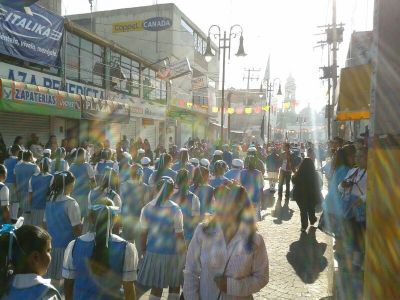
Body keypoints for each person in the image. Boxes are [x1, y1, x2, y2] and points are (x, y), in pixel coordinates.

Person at [183, 185, 269, 299]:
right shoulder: (202, 232)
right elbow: (191, 271)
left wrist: (232, 286)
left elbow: (262, 277)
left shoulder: (255, 240)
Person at [63, 198, 138, 300]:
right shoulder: (126, 248)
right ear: (115, 218)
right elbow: (128, 289)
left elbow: (68, 284)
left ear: (90, 218)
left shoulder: (74, 245)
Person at [137, 177, 186, 299]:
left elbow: (143, 233)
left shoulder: (147, 207)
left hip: (153, 252)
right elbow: (179, 235)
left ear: (157, 189)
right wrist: (184, 254)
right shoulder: (175, 209)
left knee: (156, 287)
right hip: (173, 254)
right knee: (174, 286)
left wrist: (142, 250)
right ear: (170, 191)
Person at [0, 224, 61, 300]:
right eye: (48, 250)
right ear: (35, 257)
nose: (50, 255)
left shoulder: (4, 288)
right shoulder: (47, 294)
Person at [44, 171, 82, 285]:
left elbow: (45, 224)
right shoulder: (70, 202)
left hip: (51, 246)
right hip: (67, 246)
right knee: (66, 279)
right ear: (68, 184)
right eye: (73, 184)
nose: (73, 186)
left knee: (52, 278)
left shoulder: (49, 200)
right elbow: (77, 228)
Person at [338, 147, 368, 271]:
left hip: (360, 209)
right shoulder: (353, 170)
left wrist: (362, 199)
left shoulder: (371, 172)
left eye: (361, 156)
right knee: (349, 233)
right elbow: (340, 187)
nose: (357, 159)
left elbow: (373, 190)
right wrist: (342, 185)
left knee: (359, 234)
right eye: (357, 156)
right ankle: (349, 260)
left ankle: (357, 263)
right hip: (347, 207)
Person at [120, 164, 150, 258]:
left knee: (126, 244)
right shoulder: (145, 187)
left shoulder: (123, 185)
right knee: (138, 247)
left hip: (126, 218)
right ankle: (137, 267)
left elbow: (121, 203)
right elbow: (146, 204)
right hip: (139, 219)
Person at [292, 158, 321, 231]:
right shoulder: (315, 174)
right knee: (311, 208)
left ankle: (304, 227)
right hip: (311, 195)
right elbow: (320, 183)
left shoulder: (299, 173)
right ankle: (312, 219)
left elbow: (294, 181)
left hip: (300, 195)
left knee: (303, 210)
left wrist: (294, 175)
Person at [172, 169, 201, 242]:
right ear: (189, 181)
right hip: (188, 238)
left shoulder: (170, 197)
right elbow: (195, 221)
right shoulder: (194, 198)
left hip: (172, 239)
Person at [69, 148, 96, 222]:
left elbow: (69, 181)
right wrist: (94, 193)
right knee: (86, 217)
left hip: (74, 195)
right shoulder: (87, 166)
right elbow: (93, 180)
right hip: (85, 196)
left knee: (77, 217)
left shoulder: (71, 166)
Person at [14, 150, 40, 223]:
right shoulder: (34, 167)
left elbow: (15, 179)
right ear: (30, 157)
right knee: (28, 214)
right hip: (30, 193)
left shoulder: (17, 166)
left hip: (20, 192)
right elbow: (38, 180)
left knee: (22, 211)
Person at [28, 158, 53, 227]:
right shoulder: (51, 178)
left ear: (39, 166)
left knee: (34, 227)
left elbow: (30, 194)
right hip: (45, 207)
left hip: (34, 206)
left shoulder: (32, 177)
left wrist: (31, 206)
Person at [240, 155, 265, 221]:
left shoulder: (242, 172)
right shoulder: (259, 173)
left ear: (247, 164)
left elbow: (240, 185)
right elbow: (261, 187)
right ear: (255, 164)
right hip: (255, 198)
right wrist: (262, 199)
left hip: (245, 198)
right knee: (255, 217)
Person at [3, 145, 20, 222]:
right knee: (15, 201)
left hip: (5, 182)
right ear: (17, 151)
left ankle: (8, 217)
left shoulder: (6, 160)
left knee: (8, 201)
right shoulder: (18, 160)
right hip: (14, 182)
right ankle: (14, 218)